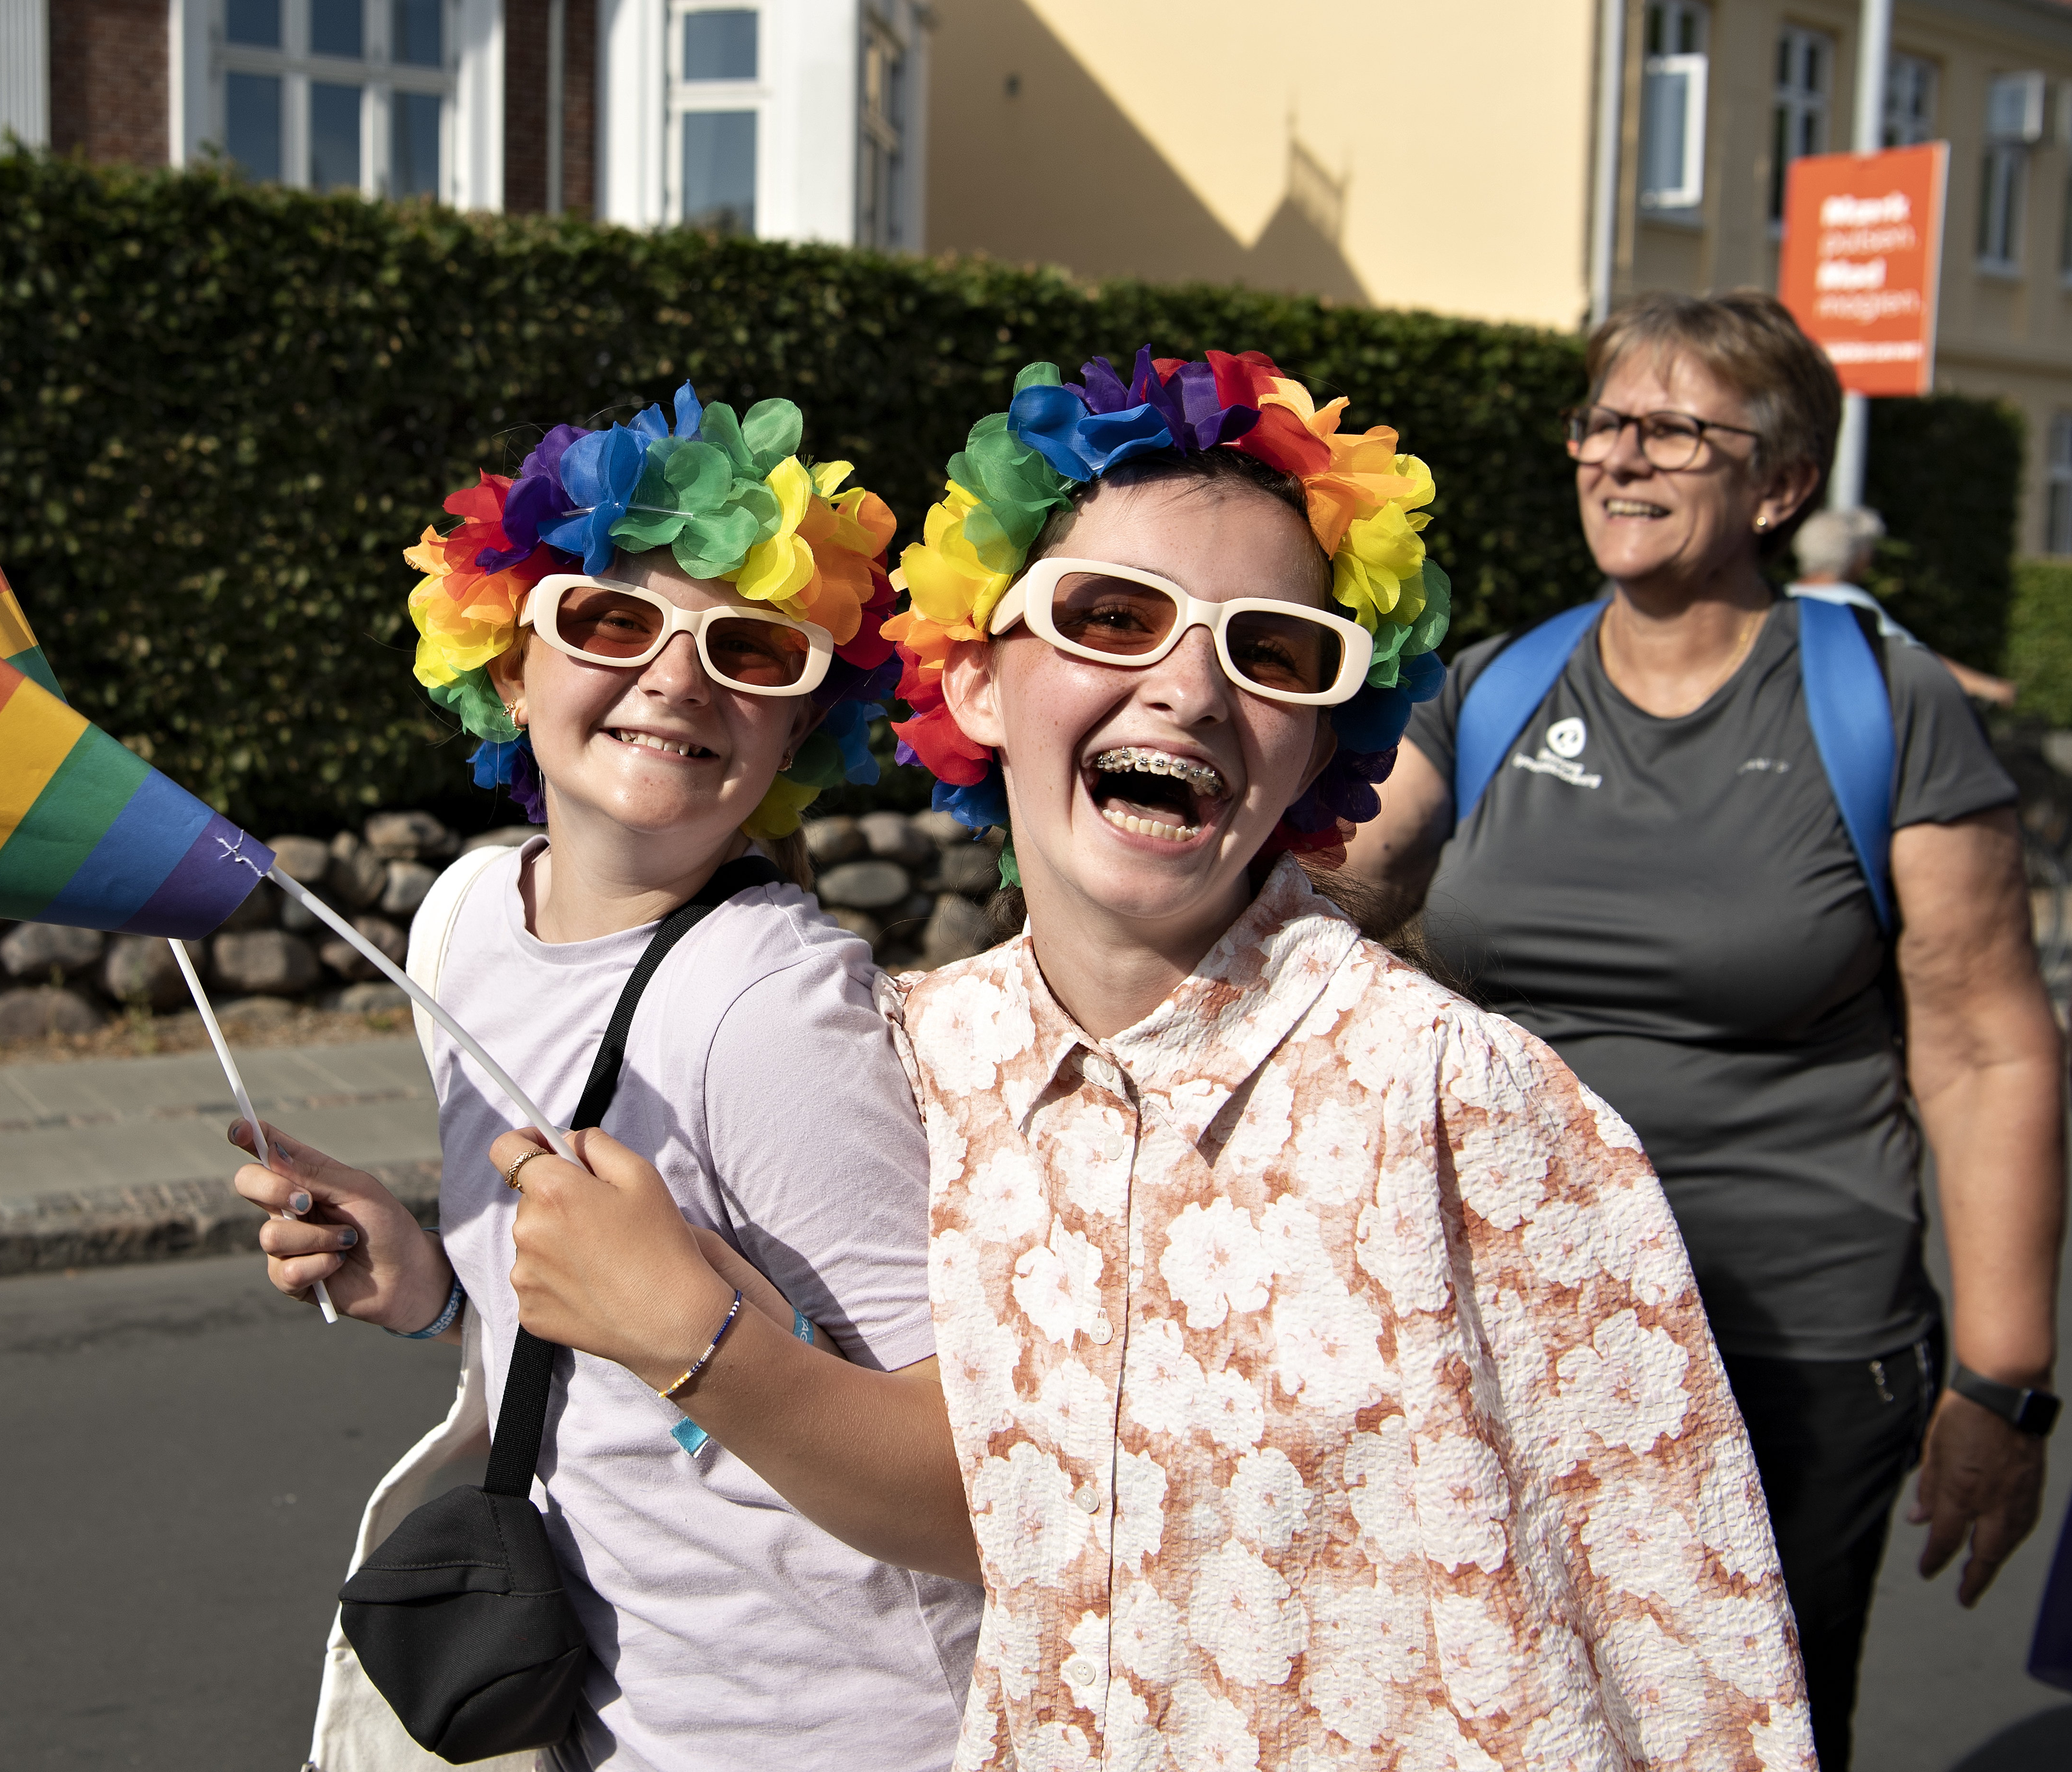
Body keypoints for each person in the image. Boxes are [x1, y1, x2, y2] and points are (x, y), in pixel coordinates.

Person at [496, 348, 1813, 1768]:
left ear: (1319, 742)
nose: (1185, 689)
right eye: (1109, 618)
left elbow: (1692, 1658)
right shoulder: (898, 1058)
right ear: (975, 681)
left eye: (1270, 650)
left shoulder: (1466, 1102)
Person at [1345, 289, 2066, 1772]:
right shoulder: (1492, 686)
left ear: (1779, 483)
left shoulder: (1879, 704)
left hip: (1786, 1344)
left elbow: (1984, 1049)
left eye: (1672, 428)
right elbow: (1333, 885)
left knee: (1743, 1741)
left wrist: (1998, 1380)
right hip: (1514, 1330)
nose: (1620, 457)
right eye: (1602, 422)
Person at [230, 384, 981, 1770]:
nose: (677, 678)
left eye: (747, 648)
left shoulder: (773, 1009)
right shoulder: (456, 923)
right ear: (510, 666)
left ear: (791, 727)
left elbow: (967, 1489)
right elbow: (587, 1314)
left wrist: (689, 1337)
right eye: (611, 620)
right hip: (596, 1720)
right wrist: (437, 1278)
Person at [1788, 506, 2015, 706]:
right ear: (1855, 554)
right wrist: (1989, 687)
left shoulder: (1785, 596)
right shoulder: (1849, 601)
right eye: (1868, 549)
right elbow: (1914, 659)